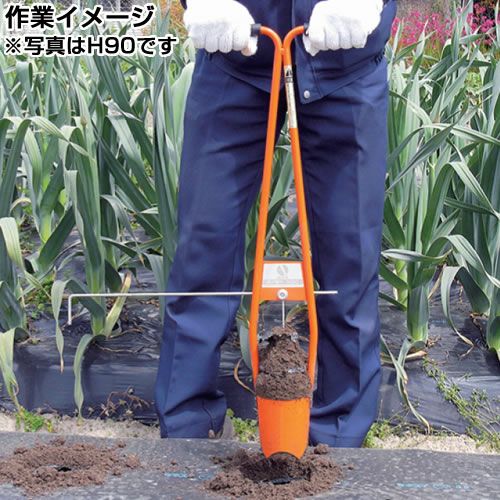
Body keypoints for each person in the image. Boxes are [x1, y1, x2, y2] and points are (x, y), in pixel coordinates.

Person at [155, 0, 397, 447]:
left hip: (345, 55)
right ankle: (188, 432)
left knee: (350, 257)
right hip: (235, 53)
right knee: (203, 246)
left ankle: (338, 440)